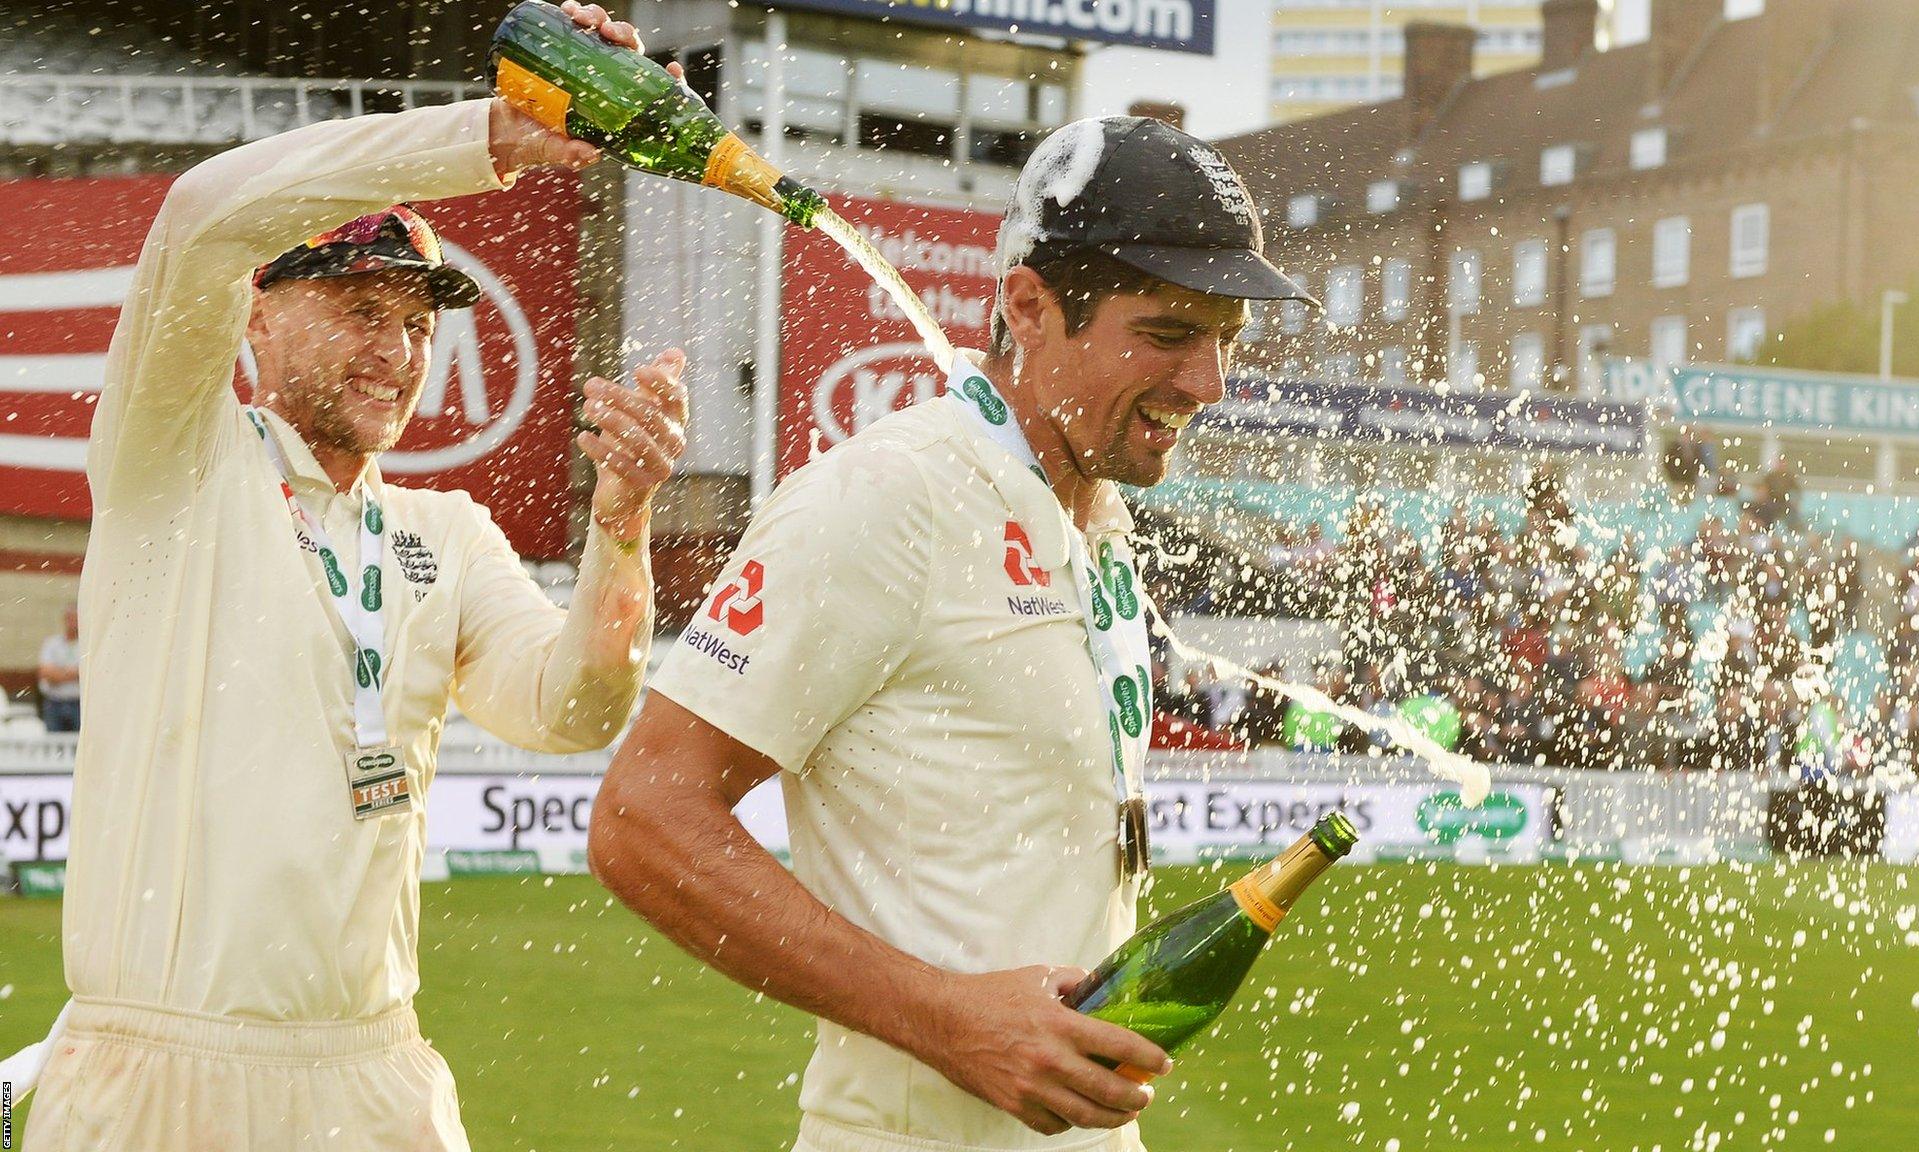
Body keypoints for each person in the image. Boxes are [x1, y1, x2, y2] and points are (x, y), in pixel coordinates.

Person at [14, 6, 687, 1149]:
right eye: (359, 309)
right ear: (258, 318)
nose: (399, 350)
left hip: (372, 1076)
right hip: (163, 1071)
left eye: (420, 323)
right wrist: (495, 135)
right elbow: (200, 217)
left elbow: (575, 708)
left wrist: (620, 531)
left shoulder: (448, 531)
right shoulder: (177, 458)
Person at [587, 115, 1315, 1152]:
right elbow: (642, 817)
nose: (1208, 384)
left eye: (1224, 341)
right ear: (1027, 306)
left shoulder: (1089, 515)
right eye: (1164, 333)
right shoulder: (891, 496)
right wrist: (939, 1017)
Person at [35, 603, 82, 733]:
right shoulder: (52, 643)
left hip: (79, 703)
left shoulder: (85, 645)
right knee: (53, 744)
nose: (73, 623)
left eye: (76, 619)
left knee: (78, 743)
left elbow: (87, 673)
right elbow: (45, 672)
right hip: (54, 702)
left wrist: (59, 673)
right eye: (70, 618)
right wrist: (74, 673)